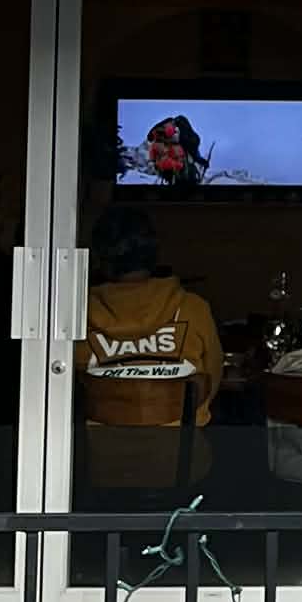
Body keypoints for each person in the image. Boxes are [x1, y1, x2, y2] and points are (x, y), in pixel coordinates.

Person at [75, 205, 225, 495]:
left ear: (100, 259)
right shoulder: (192, 309)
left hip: (97, 466)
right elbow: (211, 385)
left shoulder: (75, 316)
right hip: (181, 466)